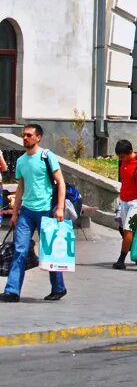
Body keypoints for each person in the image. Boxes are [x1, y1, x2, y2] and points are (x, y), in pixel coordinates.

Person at [1, 124, 67, 302]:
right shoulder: (22, 161)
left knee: (49, 251)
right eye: (23, 135)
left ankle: (59, 288)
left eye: (29, 135)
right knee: (19, 250)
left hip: (46, 211)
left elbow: (60, 182)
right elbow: (21, 187)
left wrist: (60, 208)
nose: (25, 138)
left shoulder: (47, 156)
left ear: (38, 137)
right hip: (26, 213)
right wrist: (15, 213)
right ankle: (12, 291)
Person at [112, 139, 137, 270]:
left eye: (123, 156)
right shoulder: (122, 161)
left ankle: (121, 259)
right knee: (125, 230)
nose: (121, 159)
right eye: (119, 157)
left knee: (128, 229)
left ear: (130, 152)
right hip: (124, 201)